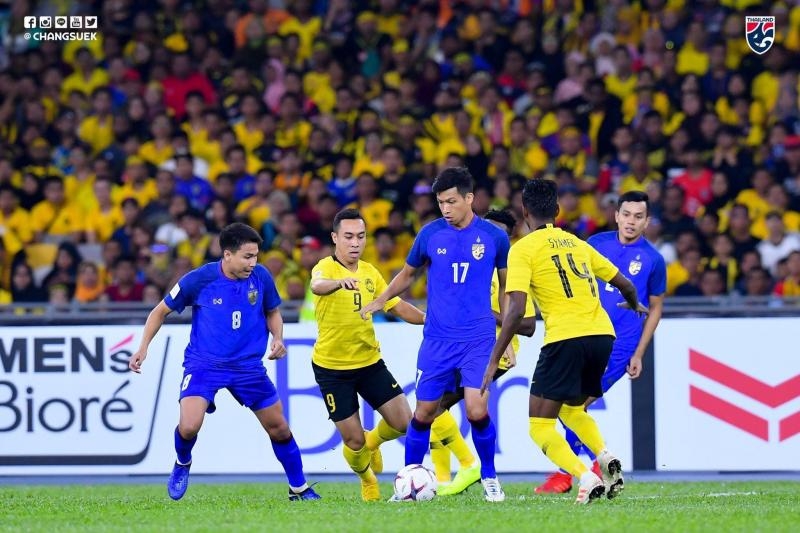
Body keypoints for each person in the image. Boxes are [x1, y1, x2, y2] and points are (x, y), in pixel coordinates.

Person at [482, 178, 647, 505]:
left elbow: (516, 310)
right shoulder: (578, 244)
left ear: (525, 212)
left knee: (539, 425)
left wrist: (492, 360)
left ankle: (585, 476)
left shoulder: (522, 249)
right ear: (557, 210)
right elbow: (625, 284)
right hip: (602, 336)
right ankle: (604, 455)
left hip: (565, 337)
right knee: (572, 410)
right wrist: (633, 303)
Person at [129, 222, 321, 502]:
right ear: (227, 255)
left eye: (255, 256)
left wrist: (278, 337)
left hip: (248, 367)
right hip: (204, 365)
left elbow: (273, 312)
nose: (253, 263)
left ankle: (299, 488)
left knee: (279, 428)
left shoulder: (261, 277)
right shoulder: (199, 279)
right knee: (189, 426)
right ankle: (183, 461)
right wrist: (143, 348)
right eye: (247, 256)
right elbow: (159, 312)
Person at [360, 167, 511, 502]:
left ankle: (489, 476)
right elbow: (407, 274)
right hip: (437, 341)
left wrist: (506, 337)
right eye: (441, 202)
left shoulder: (494, 237)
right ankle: (407, 481)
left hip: (479, 339)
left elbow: (505, 289)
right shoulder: (430, 234)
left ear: (469, 198)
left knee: (476, 410)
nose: (445, 208)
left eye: (451, 201)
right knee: (424, 413)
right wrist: (382, 299)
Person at [535, 190, 666, 494]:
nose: (631, 221)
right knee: (569, 405)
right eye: (626, 214)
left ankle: (570, 473)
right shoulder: (595, 244)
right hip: (586, 333)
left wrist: (639, 353)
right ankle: (597, 463)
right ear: (616, 215)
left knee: (576, 404)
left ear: (647, 222)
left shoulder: (653, 259)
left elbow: (656, 308)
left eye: (638, 217)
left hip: (620, 345)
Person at [310, 208, 426, 502]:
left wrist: (429, 320)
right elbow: (316, 285)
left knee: (405, 423)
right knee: (353, 441)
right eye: (348, 236)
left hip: (369, 363)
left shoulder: (370, 272)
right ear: (335, 238)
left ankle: (373, 441)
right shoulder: (326, 267)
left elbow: (397, 306)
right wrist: (339, 283)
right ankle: (367, 480)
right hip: (332, 369)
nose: (355, 243)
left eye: (360, 236)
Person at [431, 209, 537, 496]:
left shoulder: (512, 272)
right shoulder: (465, 264)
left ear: (507, 239)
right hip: (459, 346)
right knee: (431, 406)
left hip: (494, 352)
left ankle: (481, 471)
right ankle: (448, 477)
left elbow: (528, 325)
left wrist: (488, 315)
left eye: (498, 233)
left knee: (464, 409)